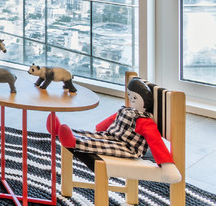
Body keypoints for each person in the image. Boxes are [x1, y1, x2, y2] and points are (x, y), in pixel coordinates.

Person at [48, 76, 180, 182]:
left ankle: (74, 141)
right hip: (113, 136)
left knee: (101, 145)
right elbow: (113, 120)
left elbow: (155, 140)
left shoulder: (144, 121)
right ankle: (59, 131)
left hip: (128, 148)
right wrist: (97, 129)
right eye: (131, 97)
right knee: (98, 137)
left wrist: (166, 165)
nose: (132, 100)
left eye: (135, 98)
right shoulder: (128, 111)